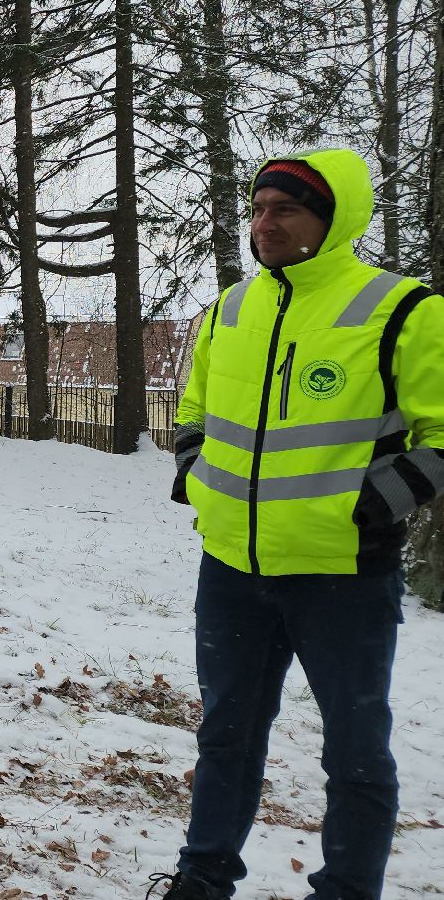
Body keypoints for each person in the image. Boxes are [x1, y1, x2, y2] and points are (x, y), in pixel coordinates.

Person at [153, 148, 444, 900]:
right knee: (226, 738)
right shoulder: (229, 308)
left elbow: (440, 434)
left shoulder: (403, 309)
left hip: (342, 578)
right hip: (232, 571)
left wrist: (371, 505)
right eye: (257, 208)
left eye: (285, 209)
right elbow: (192, 412)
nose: (264, 223)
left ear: (332, 219)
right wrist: (198, 475)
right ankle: (202, 879)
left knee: (354, 754)